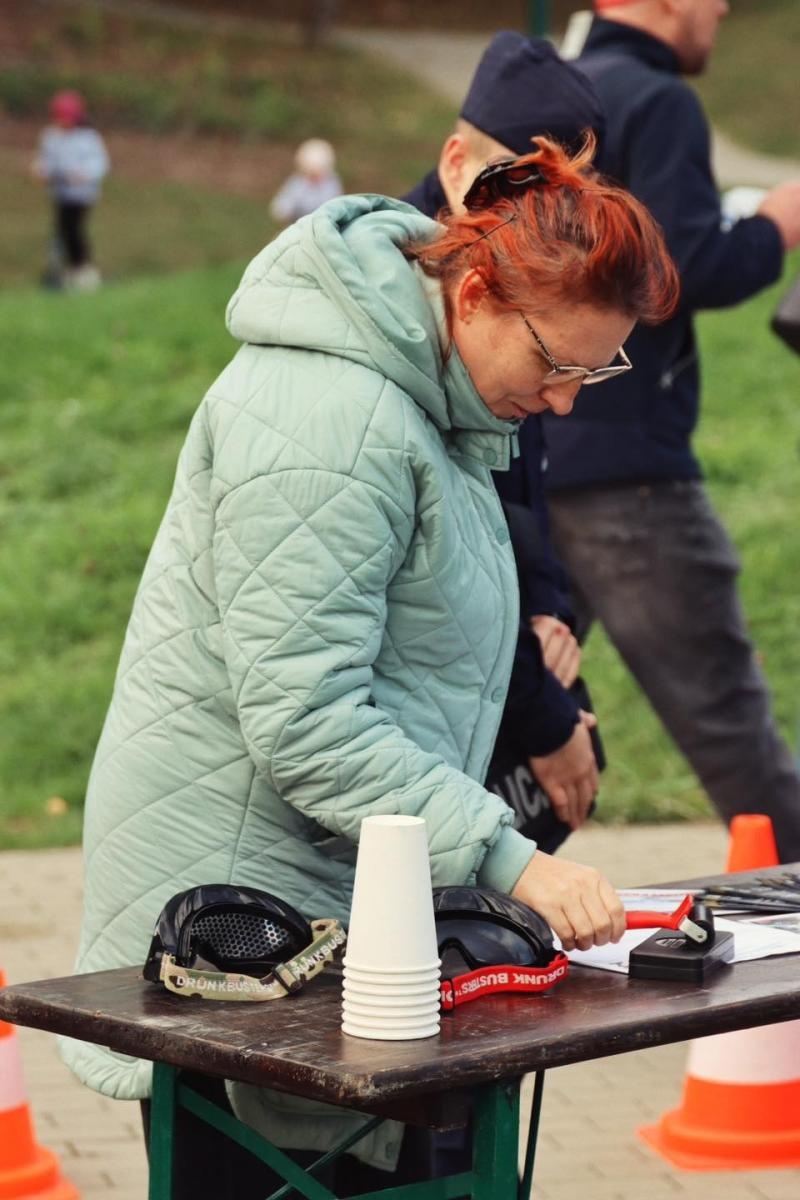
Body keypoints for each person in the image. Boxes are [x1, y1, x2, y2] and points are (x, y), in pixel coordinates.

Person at [61, 137, 677, 1194]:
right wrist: (511, 860)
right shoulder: (330, 419)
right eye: (555, 363)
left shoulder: (434, 400)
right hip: (240, 925)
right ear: (473, 293)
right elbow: (307, 719)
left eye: (593, 371)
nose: (565, 401)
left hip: (330, 890)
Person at [539, 0, 800, 863]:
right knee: (730, 722)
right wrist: (777, 223)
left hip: (528, 452)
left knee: (509, 714)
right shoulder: (656, 99)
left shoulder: (552, 93)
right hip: (631, 476)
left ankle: (442, 907)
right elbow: (677, 267)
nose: (721, 7)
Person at [405, 32, 609, 850]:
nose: (544, 229)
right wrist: (543, 710)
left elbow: (527, 482)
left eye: (566, 205)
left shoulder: (529, 281)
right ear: (456, 165)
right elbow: (444, 571)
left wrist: (553, 614)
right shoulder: (418, 307)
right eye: (520, 192)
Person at [32, 90, 109, 291]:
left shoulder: (88, 138)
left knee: (74, 230)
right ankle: (60, 270)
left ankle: (83, 269)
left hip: (82, 195)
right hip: (60, 192)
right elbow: (45, 161)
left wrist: (83, 175)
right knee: (60, 231)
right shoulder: (51, 136)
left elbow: (100, 164)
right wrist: (41, 172)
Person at [270, 136, 342, 224]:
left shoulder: (331, 184)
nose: (315, 176)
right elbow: (280, 208)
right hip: (299, 226)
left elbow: (334, 208)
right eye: (311, 172)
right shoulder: (297, 183)